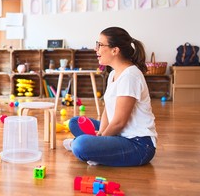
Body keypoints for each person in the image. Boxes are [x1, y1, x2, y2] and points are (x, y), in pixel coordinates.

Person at [63, 27, 157, 167]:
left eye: (100, 45)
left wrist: (101, 139)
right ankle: (99, 150)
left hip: (139, 145)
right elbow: (108, 109)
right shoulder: (113, 74)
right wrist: (100, 134)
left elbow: (119, 122)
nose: (96, 49)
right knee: (75, 122)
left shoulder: (130, 76)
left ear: (115, 50)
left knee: (80, 145)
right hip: (119, 134)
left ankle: (92, 150)